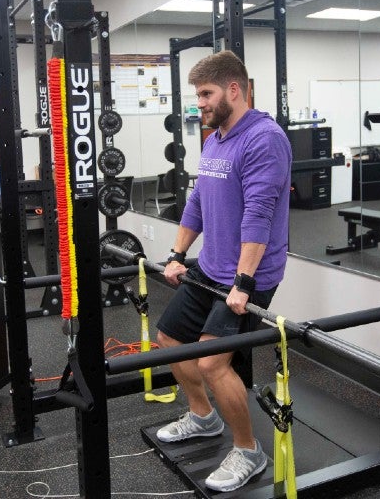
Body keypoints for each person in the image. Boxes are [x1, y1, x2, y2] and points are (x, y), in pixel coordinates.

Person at [155, 50, 292, 492]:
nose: (201, 105)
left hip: (248, 276)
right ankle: (202, 417)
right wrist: (177, 253)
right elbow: (198, 202)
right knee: (170, 340)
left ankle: (249, 450)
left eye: (207, 94)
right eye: (198, 97)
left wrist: (244, 284)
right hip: (211, 269)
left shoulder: (264, 139)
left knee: (213, 362)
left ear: (235, 88)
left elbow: (259, 215)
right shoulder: (214, 139)